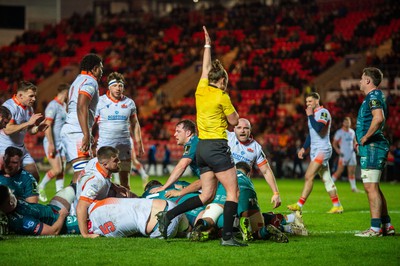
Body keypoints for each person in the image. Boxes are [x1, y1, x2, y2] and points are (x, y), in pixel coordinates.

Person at [156, 26, 245, 246]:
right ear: (223, 80)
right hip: (217, 147)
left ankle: (168, 215)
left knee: (207, 195)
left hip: (202, 149)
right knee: (234, 191)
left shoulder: (201, 89)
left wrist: (207, 44)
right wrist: (230, 116)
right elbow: (235, 122)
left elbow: (205, 68)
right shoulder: (222, 95)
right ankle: (228, 237)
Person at [354, 67, 395, 237]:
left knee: (370, 187)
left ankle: (375, 229)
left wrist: (365, 138)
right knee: (374, 187)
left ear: (368, 81)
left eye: (362, 78)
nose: (360, 81)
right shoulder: (373, 97)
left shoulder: (373, 96)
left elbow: (378, 118)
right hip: (372, 147)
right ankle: (386, 225)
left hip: (372, 148)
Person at [287, 92, 344, 214]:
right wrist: (304, 148)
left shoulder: (323, 113)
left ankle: (299, 204)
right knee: (326, 178)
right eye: (307, 102)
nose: (308, 104)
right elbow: (311, 133)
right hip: (315, 150)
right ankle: (337, 205)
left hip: (322, 150)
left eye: (310, 101)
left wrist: (309, 116)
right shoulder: (314, 115)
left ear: (317, 101)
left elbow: (318, 129)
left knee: (308, 176)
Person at [95, 72, 145, 189]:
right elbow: (91, 123)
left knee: (125, 182)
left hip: (124, 146)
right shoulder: (100, 102)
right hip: (105, 146)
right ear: (109, 87)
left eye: (120, 86)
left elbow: (135, 123)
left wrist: (139, 143)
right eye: (115, 85)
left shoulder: (129, 103)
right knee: (102, 179)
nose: (118, 88)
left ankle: (125, 204)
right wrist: (88, 138)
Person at [60, 53, 103, 183]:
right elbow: (81, 106)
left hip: (73, 128)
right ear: (95, 68)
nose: (102, 72)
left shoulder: (77, 80)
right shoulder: (90, 81)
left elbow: (69, 106)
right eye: (101, 68)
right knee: (82, 173)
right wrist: (85, 133)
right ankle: (71, 203)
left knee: (85, 172)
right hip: (76, 131)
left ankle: (74, 202)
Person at [75, 146, 130, 238]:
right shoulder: (96, 181)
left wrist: (114, 186)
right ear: (105, 164)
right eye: (115, 160)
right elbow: (81, 207)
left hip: (91, 197)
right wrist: (85, 234)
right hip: (90, 216)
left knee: (122, 192)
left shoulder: (97, 161)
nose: (119, 162)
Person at [1, 81, 48, 182]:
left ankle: (19, 197)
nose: (34, 99)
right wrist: (28, 123)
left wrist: (37, 128)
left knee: (34, 177)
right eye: (31, 96)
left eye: (34, 96)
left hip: (20, 148)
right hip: (5, 149)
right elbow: (7, 130)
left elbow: (30, 130)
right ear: (21, 95)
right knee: (8, 180)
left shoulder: (29, 108)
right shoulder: (9, 106)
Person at [228, 118, 281, 208]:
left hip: (242, 186)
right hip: (223, 182)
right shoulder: (226, 137)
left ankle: (286, 218)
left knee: (249, 216)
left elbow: (266, 171)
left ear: (250, 130)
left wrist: (276, 193)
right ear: (234, 129)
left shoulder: (256, 148)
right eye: (239, 127)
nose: (242, 131)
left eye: (246, 128)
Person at [88, 197, 188, 238]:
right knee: (186, 229)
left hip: (159, 226)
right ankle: (190, 231)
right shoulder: (106, 201)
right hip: (172, 207)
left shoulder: (102, 229)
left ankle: (186, 234)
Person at [0, 184, 78, 236]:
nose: (14, 195)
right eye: (12, 195)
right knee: (87, 220)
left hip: (53, 208)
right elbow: (53, 232)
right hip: (62, 221)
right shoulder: (23, 221)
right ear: (10, 203)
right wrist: (62, 215)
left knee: (75, 187)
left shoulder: (13, 203)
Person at [150, 119, 200, 195]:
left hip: (213, 184)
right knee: (178, 184)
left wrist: (164, 187)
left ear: (188, 133)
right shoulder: (194, 142)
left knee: (175, 189)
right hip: (207, 182)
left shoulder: (192, 143)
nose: (174, 134)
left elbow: (182, 165)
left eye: (178, 131)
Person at [38, 83, 69, 202]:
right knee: (57, 169)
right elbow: (47, 126)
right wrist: (51, 144)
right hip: (52, 143)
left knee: (62, 170)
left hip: (62, 143)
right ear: (65, 92)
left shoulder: (63, 105)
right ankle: (41, 186)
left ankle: (59, 194)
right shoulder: (53, 105)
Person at [331, 117, 362, 192]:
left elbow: (354, 141)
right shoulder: (339, 132)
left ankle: (353, 188)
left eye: (348, 122)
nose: (347, 123)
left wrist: (356, 147)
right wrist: (338, 150)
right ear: (343, 123)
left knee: (351, 172)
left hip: (351, 154)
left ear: (350, 123)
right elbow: (334, 143)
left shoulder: (352, 132)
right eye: (346, 122)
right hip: (343, 154)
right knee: (339, 171)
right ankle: (329, 185)